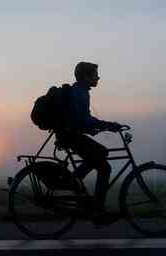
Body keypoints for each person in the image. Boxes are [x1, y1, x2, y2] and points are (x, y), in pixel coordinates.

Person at [55, 61, 122, 220]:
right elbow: (84, 120)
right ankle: (96, 209)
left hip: (68, 135)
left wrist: (101, 126)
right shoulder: (80, 93)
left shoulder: (80, 91)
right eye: (95, 74)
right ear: (85, 76)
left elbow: (83, 119)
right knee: (104, 165)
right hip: (71, 136)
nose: (98, 77)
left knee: (101, 156)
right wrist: (107, 125)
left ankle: (73, 183)